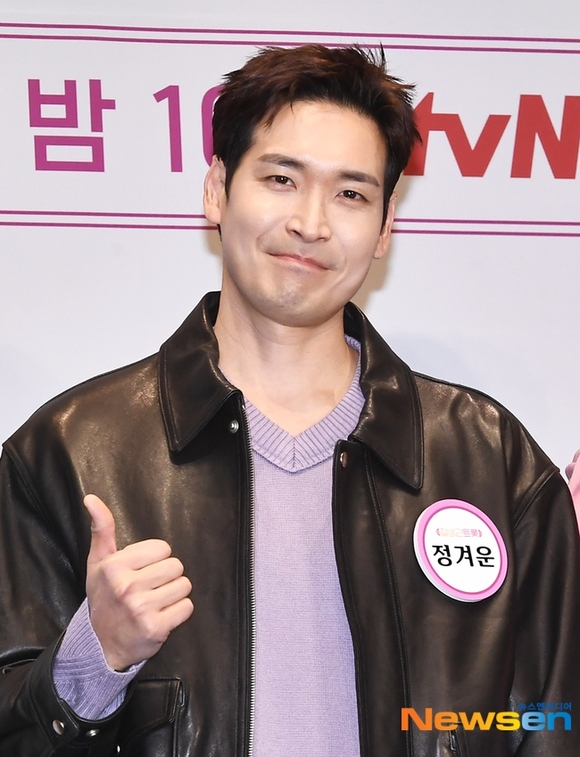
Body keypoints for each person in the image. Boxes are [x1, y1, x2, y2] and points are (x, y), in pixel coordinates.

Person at [0, 45, 578, 757]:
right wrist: (94, 660)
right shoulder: (70, 451)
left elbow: (551, 724)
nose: (311, 222)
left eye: (351, 194)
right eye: (281, 179)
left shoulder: (490, 458)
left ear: (385, 227)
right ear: (218, 189)